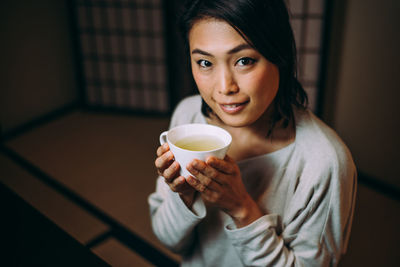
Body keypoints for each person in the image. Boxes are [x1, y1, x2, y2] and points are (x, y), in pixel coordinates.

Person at [149, 0, 357, 266]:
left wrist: (242, 209)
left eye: (244, 61)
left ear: (278, 55)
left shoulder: (324, 163)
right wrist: (184, 198)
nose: (225, 87)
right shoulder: (187, 119)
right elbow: (169, 240)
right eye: (204, 62)